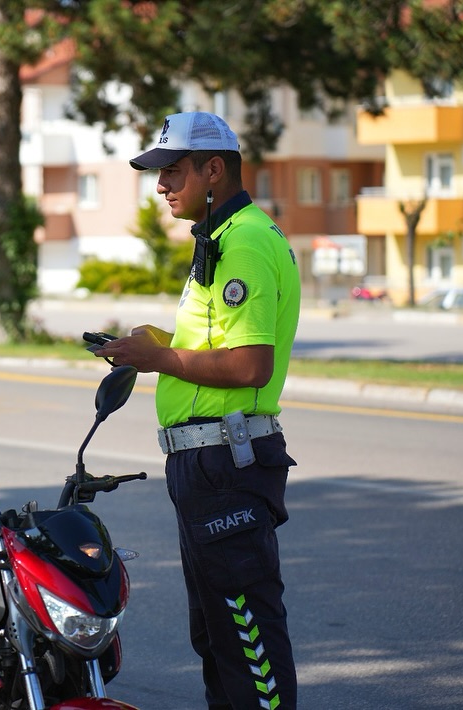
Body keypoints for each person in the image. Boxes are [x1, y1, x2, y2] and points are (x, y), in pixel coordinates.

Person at [97, 112, 301, 710]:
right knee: (217, 636)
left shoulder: (243, 240)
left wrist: (157, 358)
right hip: (207, 462)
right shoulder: (220, 235)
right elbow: (217, 344)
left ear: (214, 169)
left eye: (172, 170)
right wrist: (157, 342)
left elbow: (247, 367)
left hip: (225, 461)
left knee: (246, 638)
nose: (161, 185)